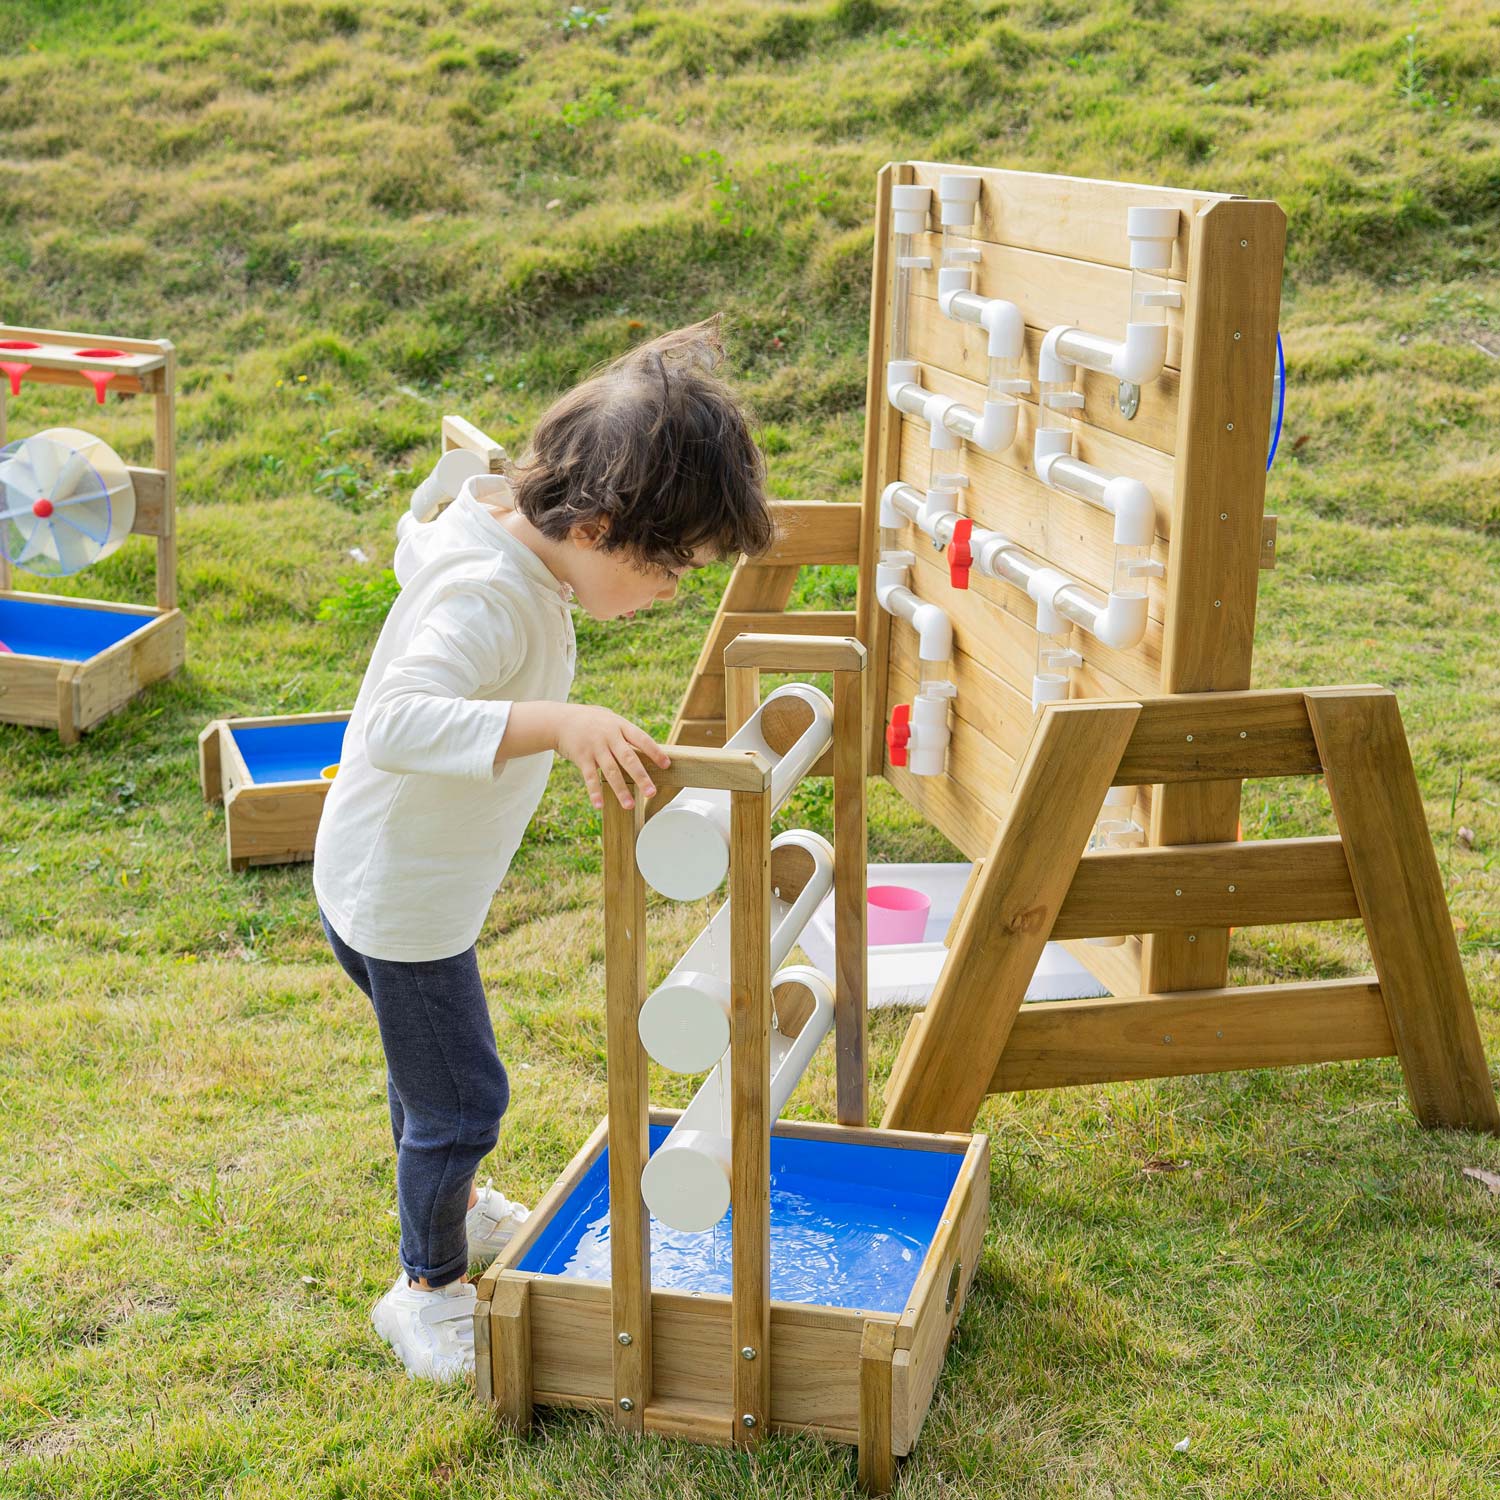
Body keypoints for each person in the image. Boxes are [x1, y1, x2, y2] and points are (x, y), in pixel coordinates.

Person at [313, 317, 776, 1380]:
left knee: (426, 1080)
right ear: (605, 525)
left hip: (397, 881)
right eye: (673, 571)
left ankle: (458, 1207)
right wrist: (561, 725)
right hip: (402, 901)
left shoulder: (510, 544)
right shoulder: (489, 593)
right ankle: (425, 1291)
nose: (672, 594)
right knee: (462, 1097)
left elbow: (431, 522)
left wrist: (444, 492)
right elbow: (397, 720)